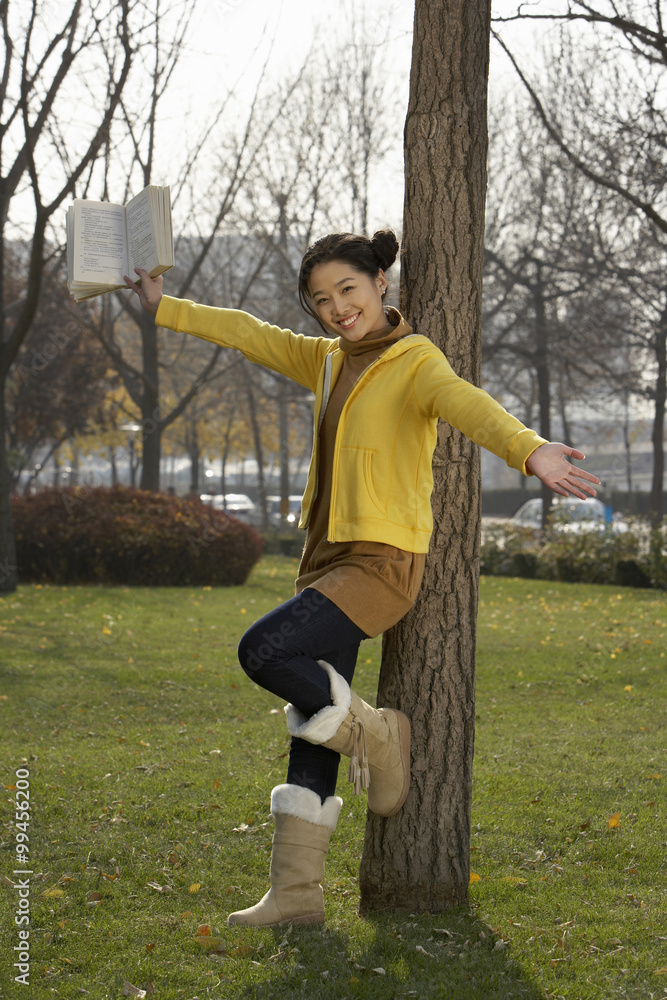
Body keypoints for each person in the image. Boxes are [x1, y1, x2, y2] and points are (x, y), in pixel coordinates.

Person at [124, 230, 600, 928]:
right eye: (321, 299)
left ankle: (378, 734)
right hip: (324, 559)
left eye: (347, 289)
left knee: (263, 652)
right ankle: (295, 897)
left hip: (379, 561)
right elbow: (247, 333)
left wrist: (528, 450)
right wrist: (166, 306)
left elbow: (466, 402)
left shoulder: (414, 360)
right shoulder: (322, 361)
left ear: (380, 282)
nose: (336, 308)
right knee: (310, 731)